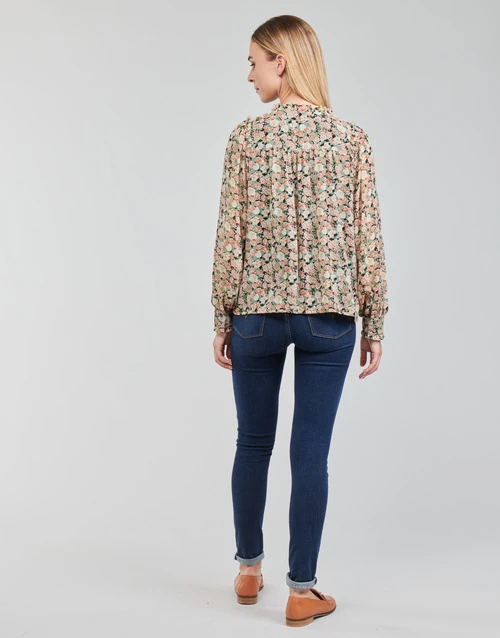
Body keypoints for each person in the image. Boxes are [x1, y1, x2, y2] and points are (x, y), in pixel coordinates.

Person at [210, 14, 389, 628]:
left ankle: (248, 569)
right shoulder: (351, 140)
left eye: (254, 61)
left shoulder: (245, 139)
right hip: (328, 320)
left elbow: (229, 235)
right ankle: (302, 590)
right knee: (310, 452)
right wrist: (376, 321)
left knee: (252, 442)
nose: (249, 74)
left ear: (281, 61)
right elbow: (368, 237)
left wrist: (221, 313)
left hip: (255, 317)